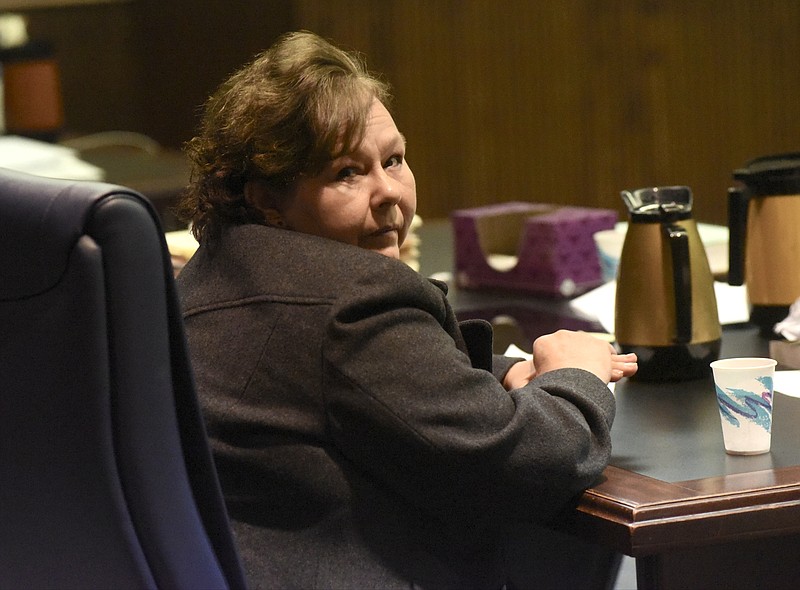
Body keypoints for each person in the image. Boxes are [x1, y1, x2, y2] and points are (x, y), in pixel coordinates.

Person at [175, 30, 638, 589]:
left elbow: (337, 383)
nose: (388, 193)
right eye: (347, 172)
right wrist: (575, 378)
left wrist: (496, 374)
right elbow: (520, 465)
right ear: (267, 199)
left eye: (393, 161)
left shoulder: (211, 270)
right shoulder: (353, 299)